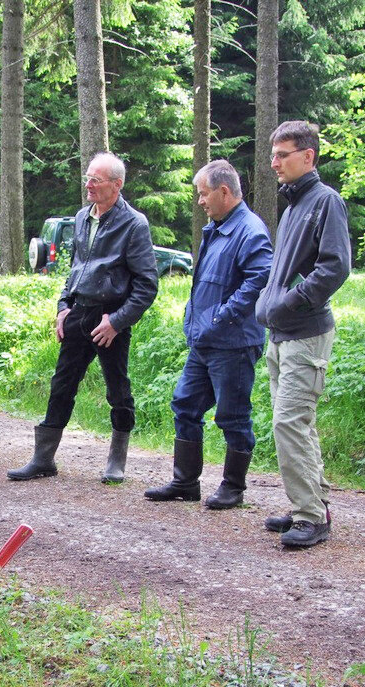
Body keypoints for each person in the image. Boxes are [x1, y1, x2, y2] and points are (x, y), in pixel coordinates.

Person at [8, 152, 158, 483]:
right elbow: (74, 270)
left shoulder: (135, 224)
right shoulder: (80, 217)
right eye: (86, 178)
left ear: (116, 185)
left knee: (117, 389)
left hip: (111, 319)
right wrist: (63, 307)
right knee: (61, 385)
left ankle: (117, 460)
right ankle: (43, 459)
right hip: (79, 312)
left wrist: (117, 322)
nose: (88, 185)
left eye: (95, 180)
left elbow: (147, 286)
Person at [145, 160, 272, 507]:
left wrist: (222, 317)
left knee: (233, 415)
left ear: (224, 191)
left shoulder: (250, 230)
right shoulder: (215, 228)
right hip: (204, 340)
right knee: (185, 404)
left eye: (203, 193)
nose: (200, 201)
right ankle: (185, 482)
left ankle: (233, 487)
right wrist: (194, 320)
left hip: (232, 343)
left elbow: (259, 279)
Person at [254, 121, 351, 548]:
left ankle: (311, 516)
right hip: (281, 335)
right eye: (273, 154)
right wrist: (271, 304)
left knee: (289, 422)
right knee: (298, 424)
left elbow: (335, 267)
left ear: (307, 157)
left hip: (306, 334)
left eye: (282, 154)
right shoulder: (294, 206)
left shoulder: (326, 201)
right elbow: (283, 270)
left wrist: (291, 302)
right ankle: (309, 505)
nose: (273, 163)